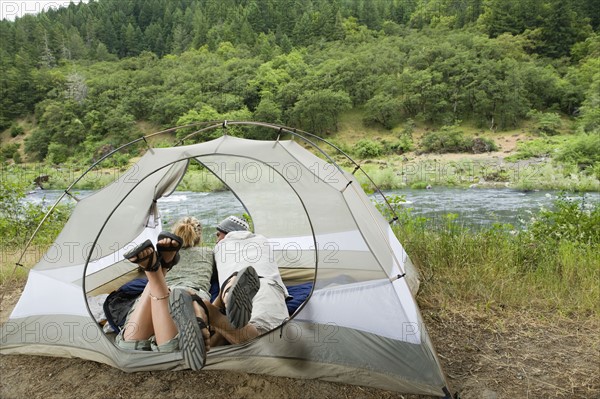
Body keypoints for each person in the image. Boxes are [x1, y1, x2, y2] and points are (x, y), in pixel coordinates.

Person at [115, 217, 213, 371]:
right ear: (199, 236)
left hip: (160, 291)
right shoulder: (207, 252)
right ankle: (159, 270)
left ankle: (159, 269)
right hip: (192, 292)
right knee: (169, 347)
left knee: (129, 346)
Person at [203, 216, 289, 346]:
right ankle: (216, 314)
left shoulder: (220, 247)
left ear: (227, 233)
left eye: (218, 235)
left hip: (229, 286)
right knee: (266, 337)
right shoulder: (262, 241)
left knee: (250, 336)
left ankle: (213, 311)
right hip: (266, 283)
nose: (216, 240)